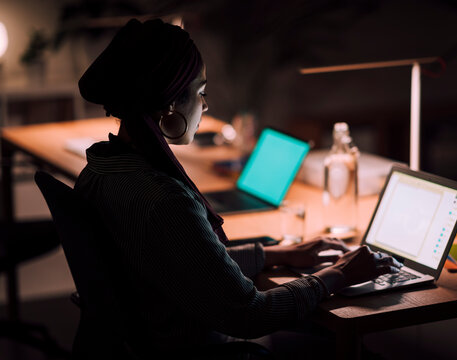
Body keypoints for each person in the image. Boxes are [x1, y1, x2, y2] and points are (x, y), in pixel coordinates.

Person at [75, 18, 402, 357]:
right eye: (201, 93)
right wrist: (337, 274)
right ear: (171, 105)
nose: (205, 105)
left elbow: (188, 262)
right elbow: (249, 314)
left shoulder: (101, 171)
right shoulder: (165, 200)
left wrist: (276, 254)